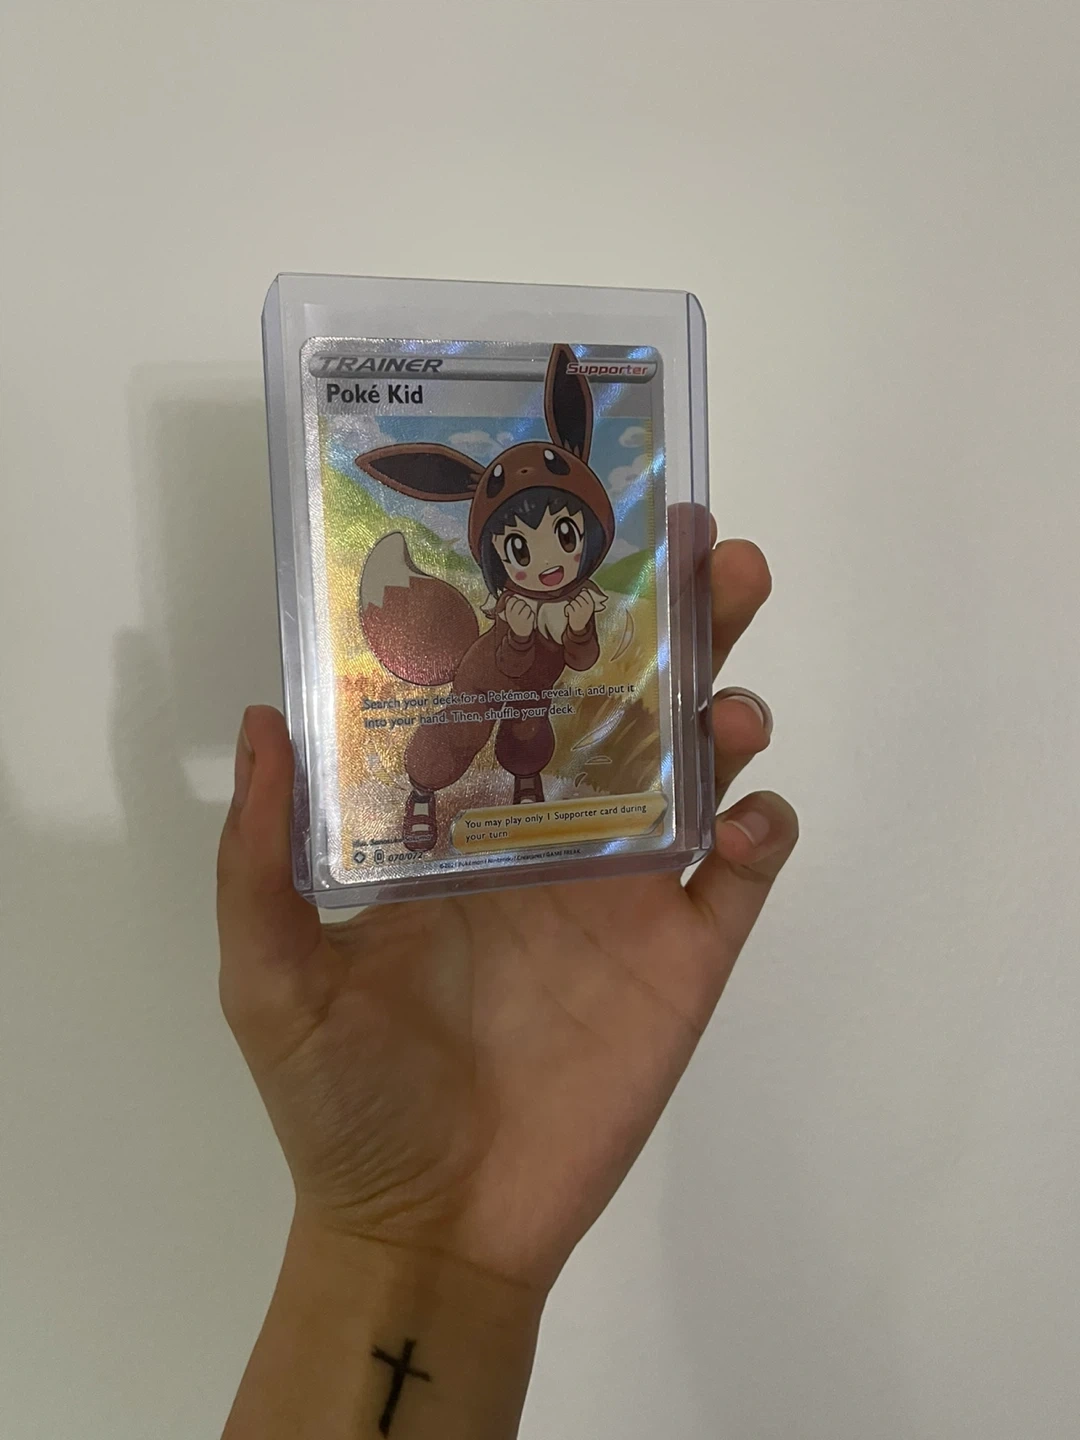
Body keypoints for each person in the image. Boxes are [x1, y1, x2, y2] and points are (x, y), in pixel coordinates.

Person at [216, 529, 799, 1439]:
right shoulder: (497, 620)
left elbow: (580, 660)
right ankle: (428, 794)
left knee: (531, 736)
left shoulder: (573, 611)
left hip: (537, 731)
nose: (546, 557)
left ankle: (523, 792)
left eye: (565, 536)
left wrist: (414, 1245)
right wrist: (406, 1237)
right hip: (468, 707)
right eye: (522, 543)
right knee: (454, 738)